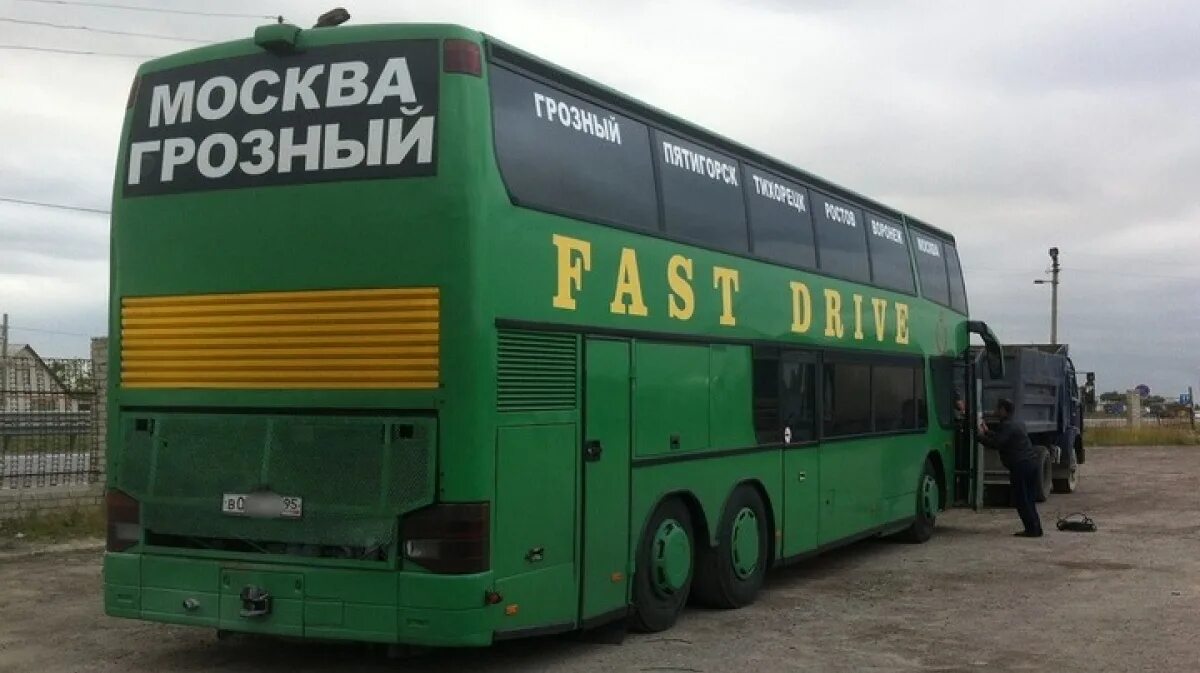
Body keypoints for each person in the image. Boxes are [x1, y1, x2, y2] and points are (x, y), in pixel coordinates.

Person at [978, 398, 1044, 537]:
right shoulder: (1017, 423)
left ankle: (1031, 530)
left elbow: (997, 443)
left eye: (997, 409)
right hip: (1031, 464)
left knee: (1021, 499)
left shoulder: (1007, 426)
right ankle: (1036, 528)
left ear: (1003, 410)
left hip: (1020, 466)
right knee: (1029, 498)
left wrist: (978, 437)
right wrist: (987, 432)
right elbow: (1004, 437)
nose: (995, 411)